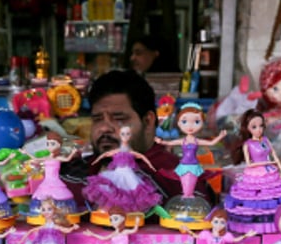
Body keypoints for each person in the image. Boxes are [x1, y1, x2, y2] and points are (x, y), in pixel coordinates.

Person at [63, 69, 204, 202]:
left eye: (119, 118)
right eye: (97, 119)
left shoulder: (176, 178)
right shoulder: (85, 167)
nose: (104, 128)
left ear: (148, 121)